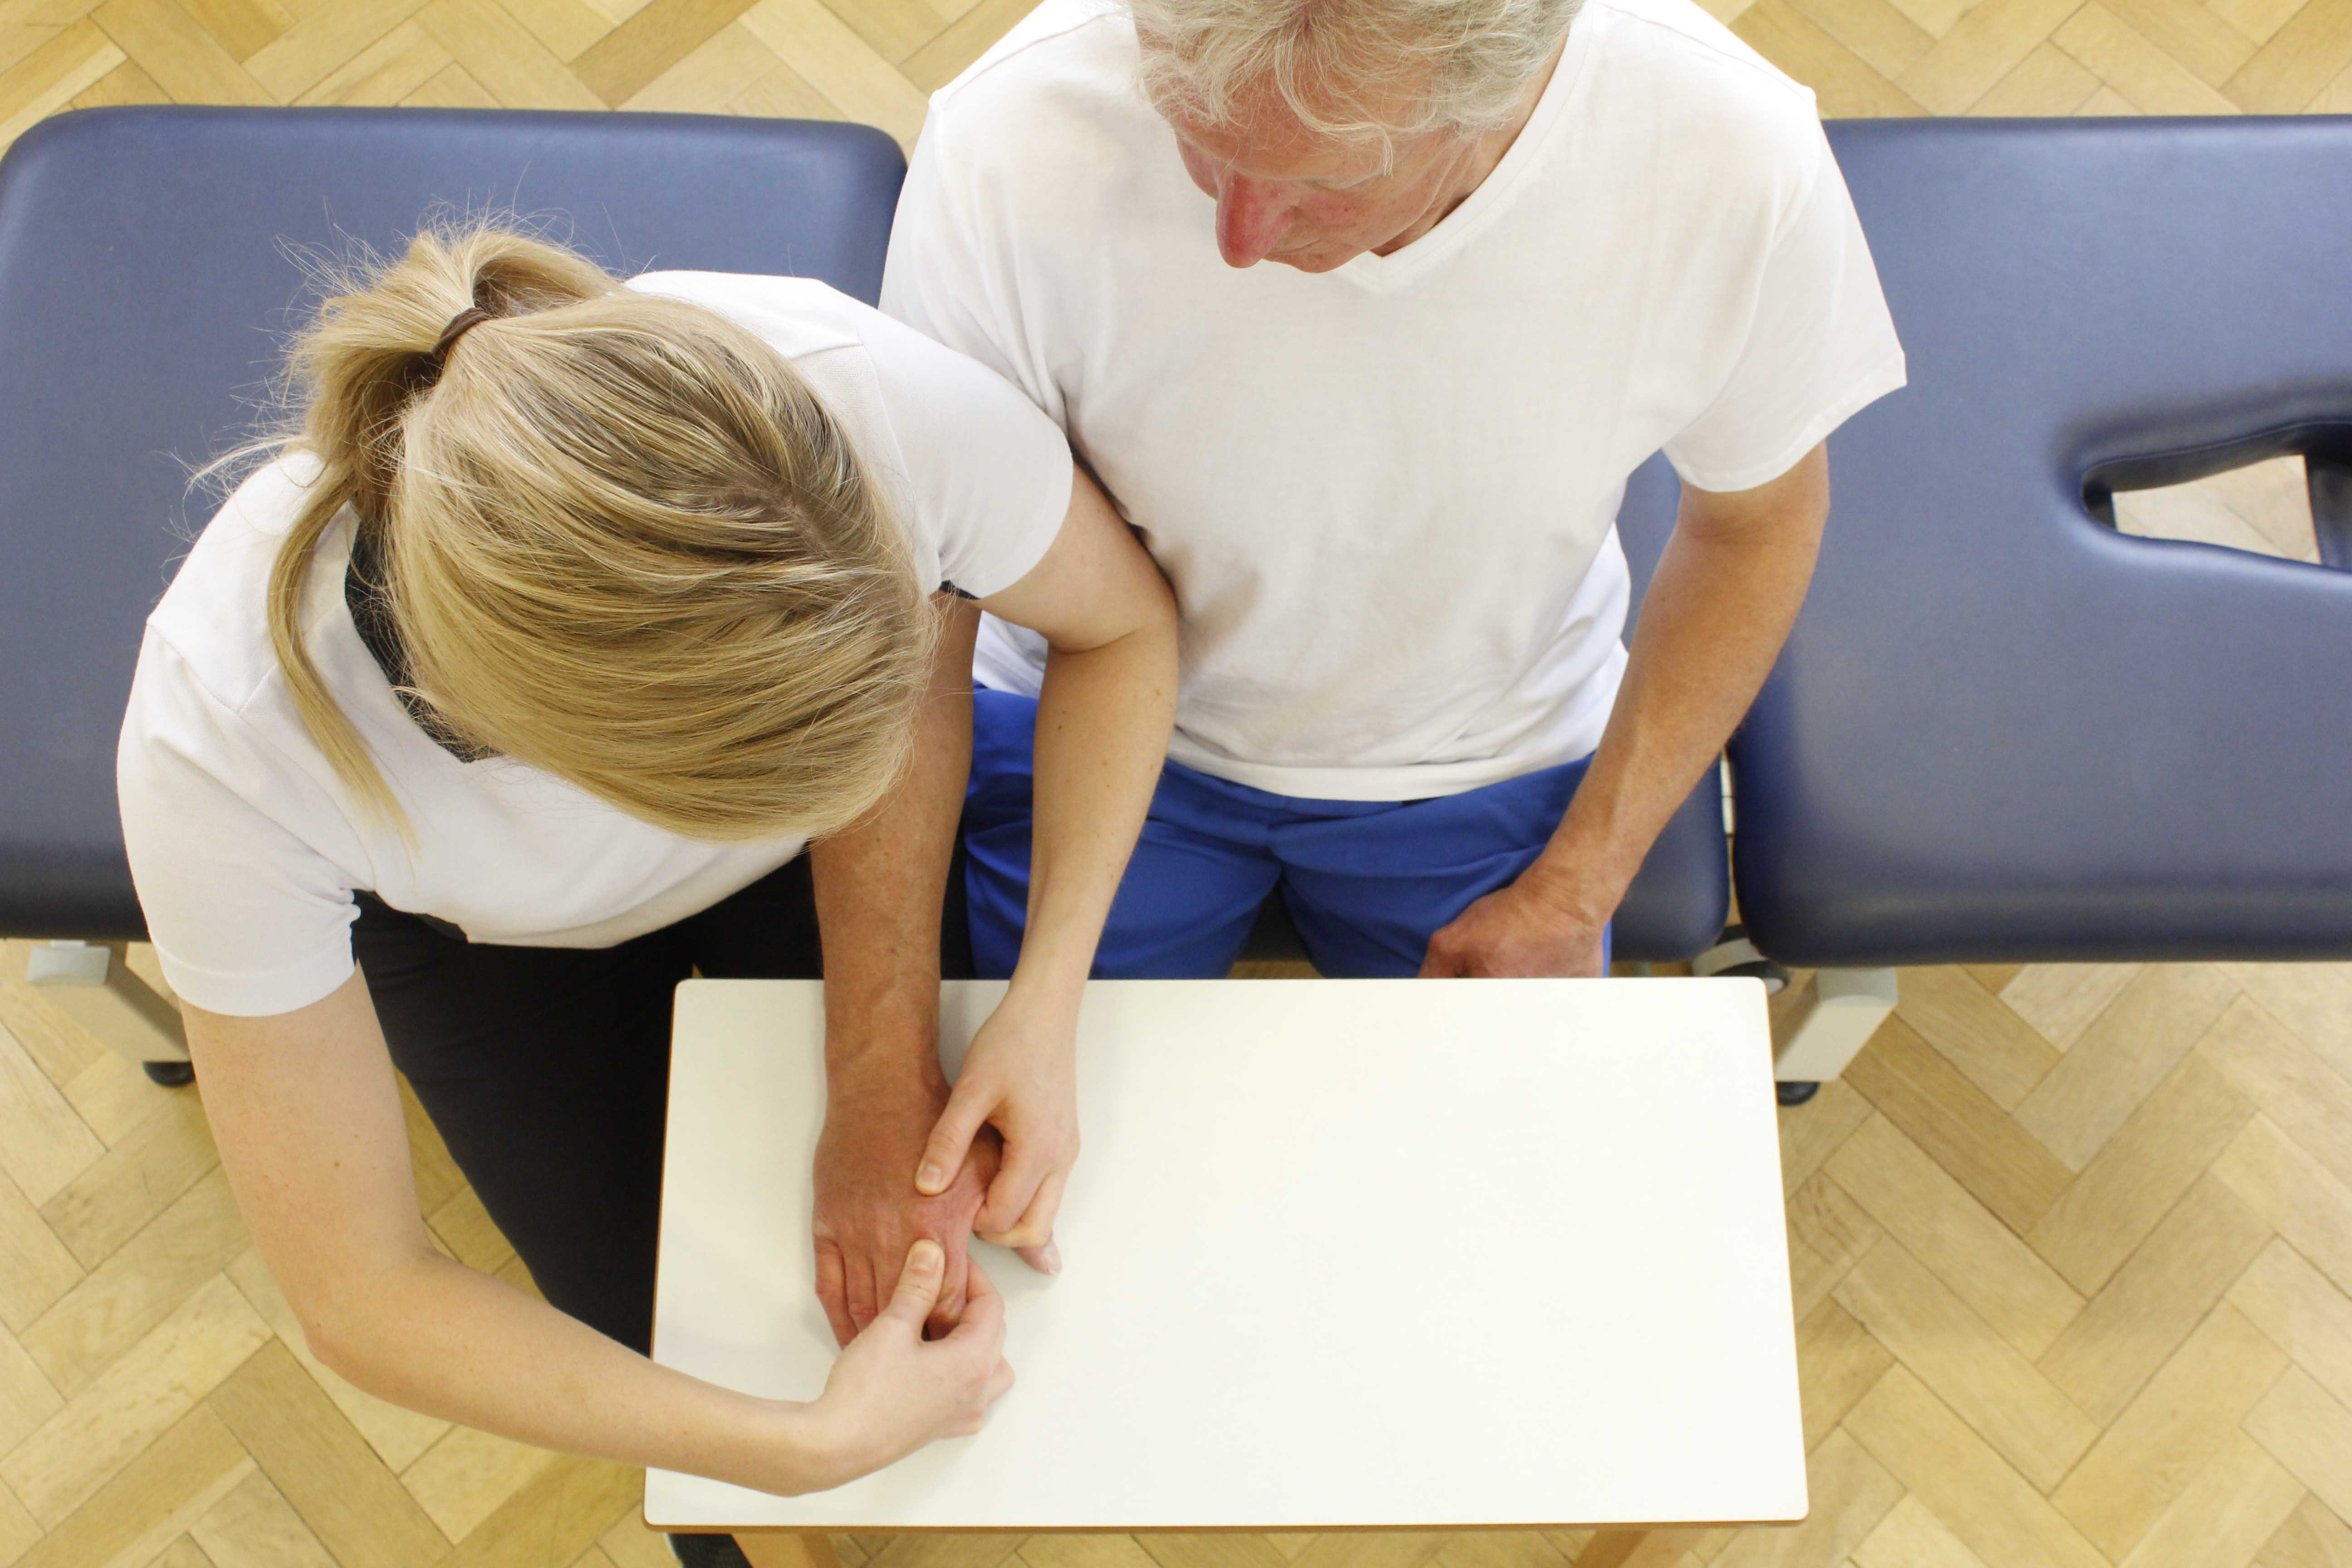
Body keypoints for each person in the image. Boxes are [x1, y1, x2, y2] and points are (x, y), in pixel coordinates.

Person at [116, 223, 1176, 1553]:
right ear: (561, 770)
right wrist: (797, 1452)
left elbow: (1120, 626)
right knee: (686, 1364)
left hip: (782, 847)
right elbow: (365, 1293)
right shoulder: (224, 744)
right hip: (480, 941)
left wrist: (1033, 999)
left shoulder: (866, 406)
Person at [857, 0, 1904, 1279]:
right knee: (1031, 1228)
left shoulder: (1725, 153)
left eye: (1312, 183)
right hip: (1095, 728)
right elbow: (916, 628)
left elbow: (1753, 530)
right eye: (1196, 144)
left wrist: (1580, 888)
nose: (1238, 237)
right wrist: (879, 1071)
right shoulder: (1013, 135)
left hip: (1485, 748)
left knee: (1476, 1240)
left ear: (1494, 104)